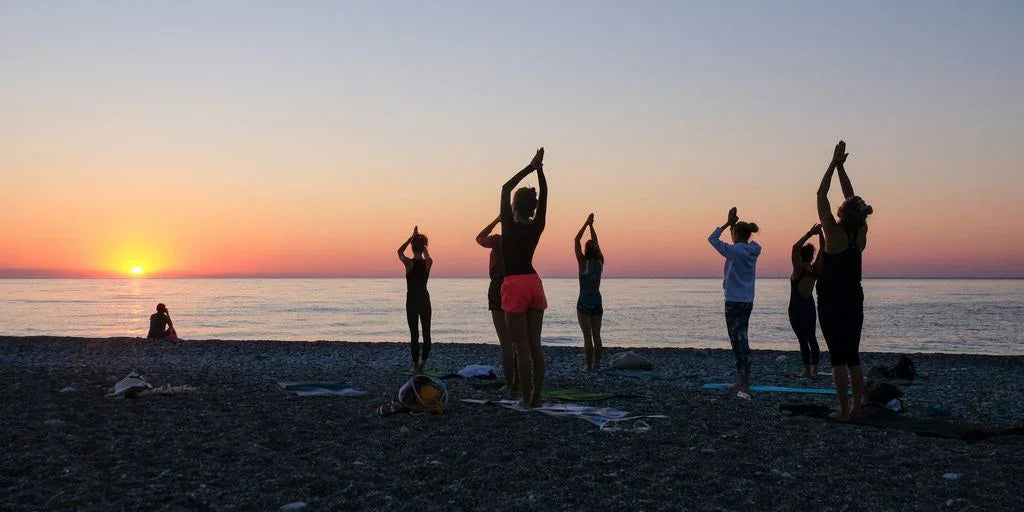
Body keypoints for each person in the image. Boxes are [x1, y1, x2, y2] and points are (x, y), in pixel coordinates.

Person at [816, 140, 873, 420]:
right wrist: (842, 168)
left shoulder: (833, 233)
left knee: (837, 357)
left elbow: (821, 193)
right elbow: (851, 198)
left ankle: (842, 410)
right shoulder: (860, 231)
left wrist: (833, 163)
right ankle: (857, 410)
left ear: (841, 213)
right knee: (853, 356)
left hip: (830, 299)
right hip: (854, 298)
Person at [500, 148, 548, 408]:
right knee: (535, 346)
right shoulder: (536, 226)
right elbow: (546, 196)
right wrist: (541, 171)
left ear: (514, 207)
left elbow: (505, 187)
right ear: (533, 208)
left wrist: (530, 167)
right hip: (533, 282)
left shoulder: (507, 226)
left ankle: (526, 399)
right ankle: (537, 398)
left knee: (520, 348)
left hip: (515, 283)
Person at [708, 207, 762, 395]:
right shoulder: (753, 250)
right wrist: (733, 225)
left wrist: (725, 223)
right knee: (743, 339)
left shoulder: (734, 251)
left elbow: (712, 239)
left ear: (736, 234)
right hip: (747, 300)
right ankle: (744, 380)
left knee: (737, 342)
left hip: (733, 301)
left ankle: (741, 382)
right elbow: (738, 241)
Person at [476, 214, 517, 392]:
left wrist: (496, 220)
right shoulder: (521, 240)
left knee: (505, 341)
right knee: (518, 339)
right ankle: (519, 379)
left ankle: (510, 383)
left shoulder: (497, 240)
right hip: (517, 284)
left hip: (499, 284)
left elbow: (479, 238)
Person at [789, 223, 824, 378]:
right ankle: (814, 371)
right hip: (809, 307)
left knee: (803, 339)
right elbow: (823, 249)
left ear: (801, 256)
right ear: (811, 256)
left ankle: (807, 370)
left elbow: (795, 247)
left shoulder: (798, 269)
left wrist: (810, 233)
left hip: (796, 308)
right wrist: (821, 234)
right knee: (812, 338)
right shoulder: (815, 269)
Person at [398, 226, 433, 372]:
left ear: (412, 248)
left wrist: (410, 238)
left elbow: (399, 252)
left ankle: (415, 364)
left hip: (412, 300)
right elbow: (426, 254)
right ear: (423, 247)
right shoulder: (428, 263)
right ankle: (422, 364)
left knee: (414, 334)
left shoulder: (409, 264)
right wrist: (421, 243)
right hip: (424, 300)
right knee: (426, 333)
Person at [574, 213, 604, 372]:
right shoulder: (600, 262)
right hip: (597, 301)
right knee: (596, 335)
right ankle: (597, 365)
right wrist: (592, 226)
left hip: (584, 301)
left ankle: (588, 365)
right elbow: (597, 243)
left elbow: (576, 240)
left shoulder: (582, 262)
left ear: (586, 250)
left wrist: (586, 224)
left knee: (587, 336)